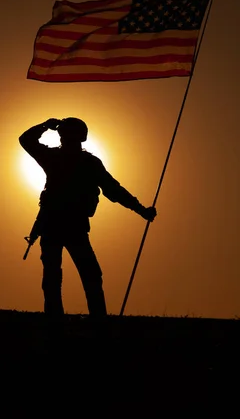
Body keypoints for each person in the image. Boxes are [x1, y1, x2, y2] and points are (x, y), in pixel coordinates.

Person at [19, 117, 156, 319]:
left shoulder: (58, 158)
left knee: (62, 276)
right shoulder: (84, 162)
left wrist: (46, 126)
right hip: (66, 225)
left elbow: (114, 190)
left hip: (60, 225)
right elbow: (114, 191)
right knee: (78, 275)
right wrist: (141, 210)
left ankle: (62, 322)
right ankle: (93, 321)